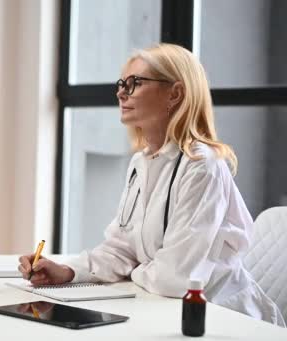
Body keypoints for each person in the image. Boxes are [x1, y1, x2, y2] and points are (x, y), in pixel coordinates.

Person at [19, 43, 285, 326]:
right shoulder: (141, 163)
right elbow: (122, 248)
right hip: (163, 309)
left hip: (223, 319)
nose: (121, 92)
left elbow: (176, 278)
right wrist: (67, 271)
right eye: (122, 83)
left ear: (175, 93)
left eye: (136, 83)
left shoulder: (202, 165)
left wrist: (135, 268)